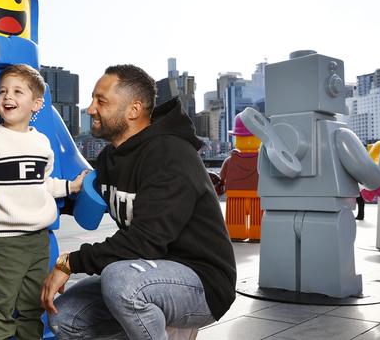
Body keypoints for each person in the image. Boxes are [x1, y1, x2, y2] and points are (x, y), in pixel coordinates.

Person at [41, 64, 237, 339]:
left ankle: (172, 325)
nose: (90, 109)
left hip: (201, 282)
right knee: (63, 317)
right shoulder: (112, 157)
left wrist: (70, 262)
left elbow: (146, 240)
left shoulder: (171, 154)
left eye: (101, 101)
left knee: (121, 283)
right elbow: (87, 203)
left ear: (133, 110)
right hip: (145, 269)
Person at [0, 64, 87, 340]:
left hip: (39, 240)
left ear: (36, 104)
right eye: (3, 91)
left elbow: (43, 184)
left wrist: (72, 186)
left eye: (18, 91)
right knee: (1, 307)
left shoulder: (42, 143)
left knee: (32, 306)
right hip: (6, 242)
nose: (8, 97)